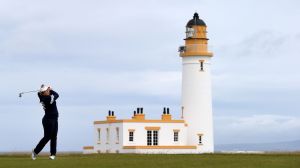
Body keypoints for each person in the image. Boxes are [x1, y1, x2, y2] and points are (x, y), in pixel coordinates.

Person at [31, 84, 59, 160]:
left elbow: (38, 93)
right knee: (47, 137)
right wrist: (51, 89)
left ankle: (53, 154)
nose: (48, 91)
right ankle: (35, 152)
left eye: (48, 90)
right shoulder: (48, 98)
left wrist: (44, 90)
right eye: (47, 90)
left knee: (54, 137)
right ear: (44, 93)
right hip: (48, 120)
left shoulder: (41, 95)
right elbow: (57, 95)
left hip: (54, 119)